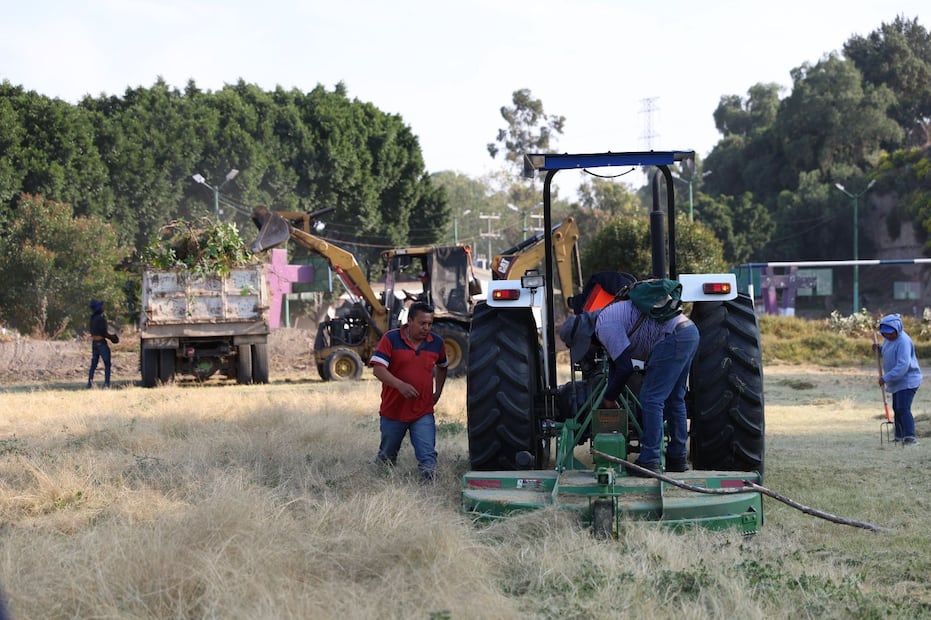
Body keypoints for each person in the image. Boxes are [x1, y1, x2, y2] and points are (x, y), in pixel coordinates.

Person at [560, 300, 699, 476]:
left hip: (672, 337)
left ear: (586, 336)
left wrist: (609, 398)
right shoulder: (608, 318)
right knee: (674, 398)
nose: (590, 349)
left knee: (651, 398)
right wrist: (613, 395)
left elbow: (625, 368)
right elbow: (615, 365)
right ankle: (677, 458)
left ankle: (649, 460)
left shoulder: (605, 326)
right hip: (689, 332)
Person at [370, 301, 448, 481]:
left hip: (422, 411)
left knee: (428, 457)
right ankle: (378, 483)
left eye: (430, 324)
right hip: (393, 411)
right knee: (387, 457)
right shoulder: (391, 339)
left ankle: (429, 491)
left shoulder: (437, 343)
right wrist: (400, 385)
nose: (427, 328)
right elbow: (378, 369)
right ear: (410, 321)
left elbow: (443, 367)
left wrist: (438, 392)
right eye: (422, 323)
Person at [877, 313, 922, 446]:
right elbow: (888, 350)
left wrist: (886, 377)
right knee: (897, 408)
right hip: (897, 381)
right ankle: (899, 436)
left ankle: (910, 437)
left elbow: (903, 365)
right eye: (885, 333)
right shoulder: (888, 340)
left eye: (890, 333)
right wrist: (879, 349)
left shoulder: (903, 341)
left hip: (908, 380)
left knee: (903, 408)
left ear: (898, 329)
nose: (888, 336)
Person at [87, 299, 112, 389]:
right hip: (101, 343)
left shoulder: (92, 319)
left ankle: (89, 383)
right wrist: (112, 338)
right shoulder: (101, 319)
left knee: (94, 364)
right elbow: (104, 333)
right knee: (107, 363)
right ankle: (107, 384)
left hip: (94, 343)